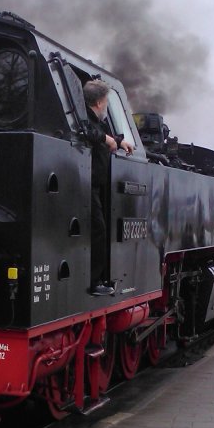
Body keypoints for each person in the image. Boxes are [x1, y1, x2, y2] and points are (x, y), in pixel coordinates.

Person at [81, 79, 133, 296]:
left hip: (94, 186)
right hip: (86, 185)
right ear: (101, 102)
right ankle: (93, 282)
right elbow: (84, 132)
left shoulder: (96, 122)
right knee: (99, 230)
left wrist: (118, 141)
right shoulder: (83, 118)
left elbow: (101, 133)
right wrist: (106, 139)